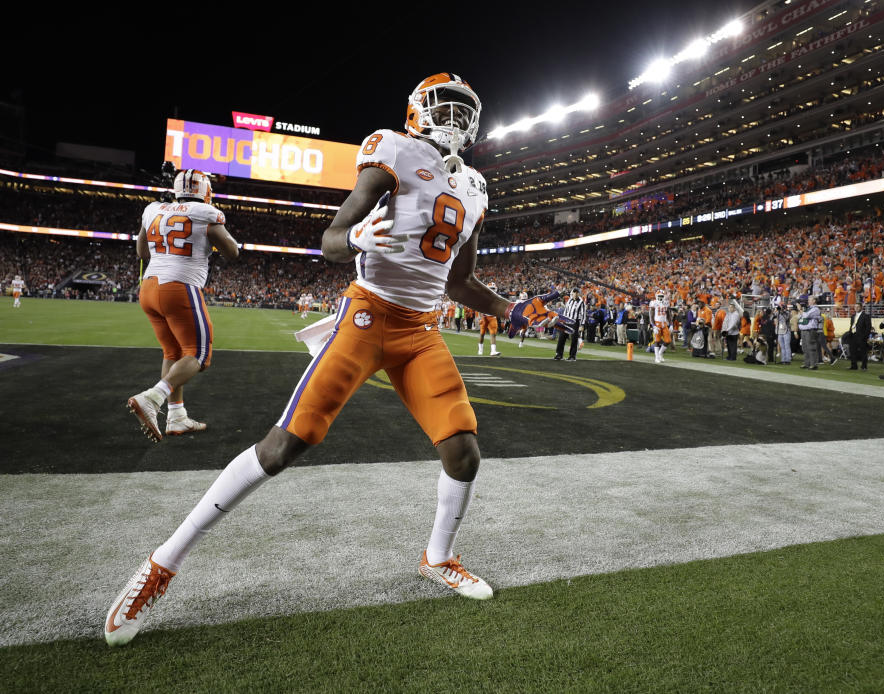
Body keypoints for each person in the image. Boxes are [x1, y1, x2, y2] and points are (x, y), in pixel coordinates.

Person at [105, 74, 573, 646]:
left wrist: (516, 310)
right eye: (442, 106)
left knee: (463, 449)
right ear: (415, 110)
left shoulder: (473, 186)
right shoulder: (392, 149)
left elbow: (462, 283)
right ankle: (161, 565)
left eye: (462, 110)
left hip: (421, 332)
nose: (452, 119)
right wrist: (356, 240)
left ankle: (438, 557)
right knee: (284, 447)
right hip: (367, 317)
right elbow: (331, 238)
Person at [127, 170, 239, 442]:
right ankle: (153, 397)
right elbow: (232, 252)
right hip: (179, 287)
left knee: (173, 351)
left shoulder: (152, 209)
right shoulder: (206, 213)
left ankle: (177, 417)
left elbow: (142, 252)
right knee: (198, 354)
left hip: (149, 286)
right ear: (206, 191)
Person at [555, 288, 585, 361]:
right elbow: (566, 311)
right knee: (561, 337)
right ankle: (559, 354)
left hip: (575, 321)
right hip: (566, 321)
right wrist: (563, 320)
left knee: (574, 339)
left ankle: (572, 356)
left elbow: (583, 314)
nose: (575, 294)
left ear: (579, 293)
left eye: (577, 292)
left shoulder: (581, 302)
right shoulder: (570, 300)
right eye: (574, 292)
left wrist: (582, 325)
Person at [477, 283, 501, 356]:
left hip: (492, 317)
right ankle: (480, 349)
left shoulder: (498, 297)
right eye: (491, 288)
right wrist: (480, 317)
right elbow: (478, 307)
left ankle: (493, 351)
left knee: (493, 334)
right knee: (482, 334)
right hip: (484, 316)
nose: (492, 290)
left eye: (493, 288)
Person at [798, 296, 821, 370]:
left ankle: (813, 364)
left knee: (811, 347)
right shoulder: (808, 308)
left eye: (809, 300)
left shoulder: (815, 309)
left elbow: (805, 316)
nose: (808, 301)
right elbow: (800, 317)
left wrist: (800, 309)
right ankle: (807, 363)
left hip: (810, 330)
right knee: (804, 348)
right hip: (804, 330)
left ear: (814, 301)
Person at [648, 291, 672, 363]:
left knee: (668, 341)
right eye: (659, 296)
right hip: (657, 323)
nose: (661, 297)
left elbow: (668, 315)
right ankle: (657, 357)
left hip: (664, 323)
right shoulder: (653, 303)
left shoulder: (666, 302)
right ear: (656, 296)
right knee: (657, 341)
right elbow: (651, 316)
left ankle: (660, 353)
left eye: (662, 296)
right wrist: (653, 326)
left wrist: (671, 324)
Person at [848, 302, 870, 371]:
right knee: (852, 351)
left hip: (861, 336)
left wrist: (865, 337)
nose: (856, 308)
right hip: (853, 335)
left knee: (863, 352)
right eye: (855, 307)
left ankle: (864, 366)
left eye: (858, 307)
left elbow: (868, 327)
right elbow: (852, 326)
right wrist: (850, 333)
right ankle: (854, 366)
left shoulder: (865, 316)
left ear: (861, 307)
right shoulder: (853, 316)